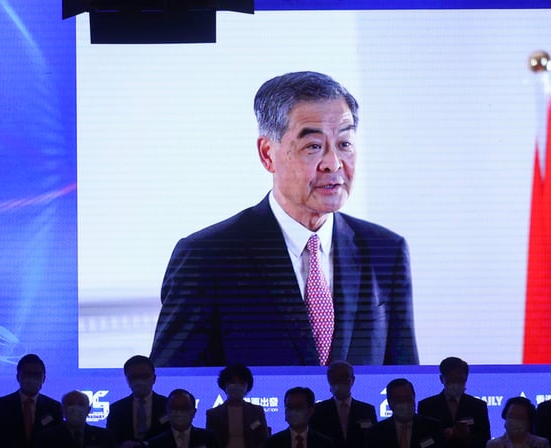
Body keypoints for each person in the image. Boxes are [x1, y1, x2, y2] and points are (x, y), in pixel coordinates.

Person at [151, 70, 418, 367]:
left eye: (344, 144)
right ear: (268, 154)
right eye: (313, 146)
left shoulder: (386, 251)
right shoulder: (206, 257)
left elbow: (404, 382)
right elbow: (169, 391)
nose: (333, 164)